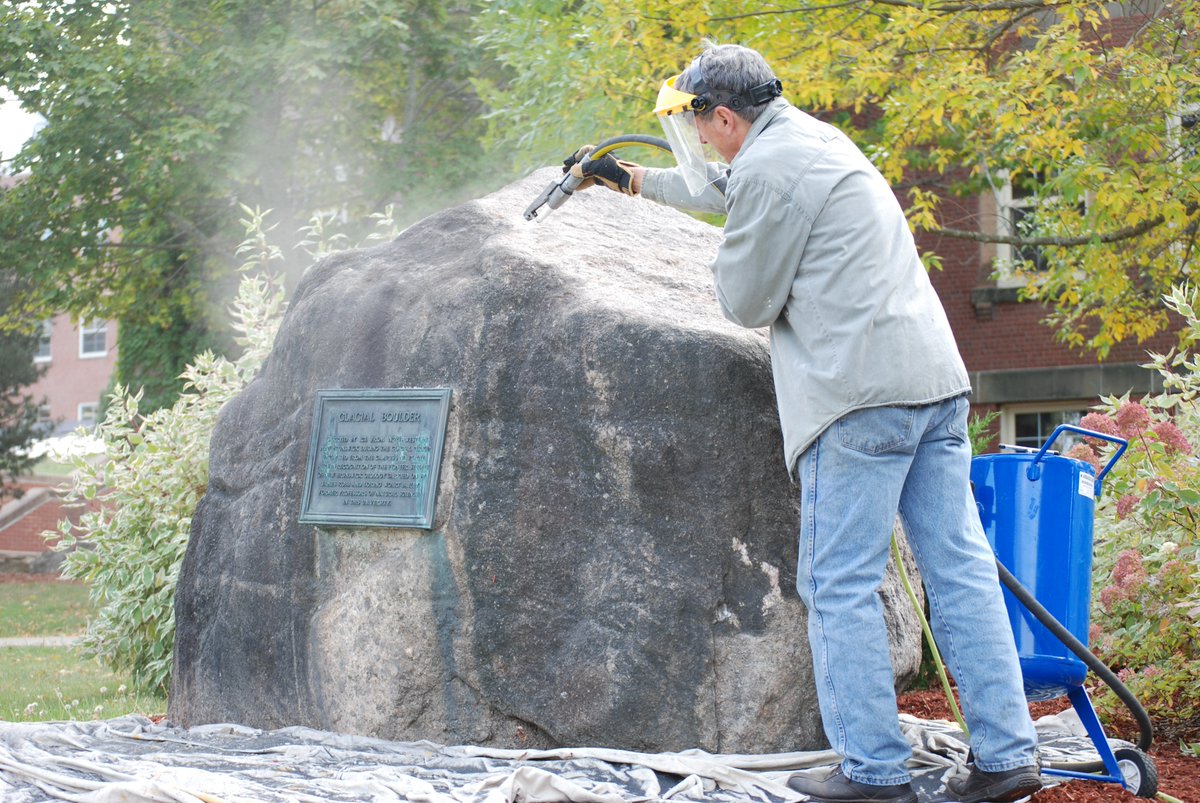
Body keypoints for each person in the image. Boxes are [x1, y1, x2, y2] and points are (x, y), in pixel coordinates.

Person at [569, 43, 1043, 803]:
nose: (694, 134)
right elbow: (738, 193)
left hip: (859, 399)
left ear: (725, 116)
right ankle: (1007, 753)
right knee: (957, 570)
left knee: (838, 583)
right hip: (933, 382)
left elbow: (745, 300)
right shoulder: (815, 138)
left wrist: (716, 242)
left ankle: (874, 770)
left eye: (696, 122)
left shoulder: (766, 169)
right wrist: (630, 181)